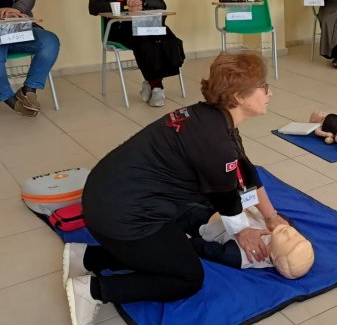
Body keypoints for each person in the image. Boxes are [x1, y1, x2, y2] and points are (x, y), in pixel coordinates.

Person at [62, 52, 288, 325]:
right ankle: (93, 291)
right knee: (188, 277)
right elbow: (227, 198)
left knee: (185, 233)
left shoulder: (213, 117)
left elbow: (245, 171)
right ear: (240, 97)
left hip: (108, 195)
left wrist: (271, 216)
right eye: (263, 87)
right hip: (120, 214)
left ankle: (86, 257)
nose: (269, 93)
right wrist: (242, 231)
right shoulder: (216, 143)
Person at [88, 0, 186, 107]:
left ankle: (151, 82)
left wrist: (143, 2)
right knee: (146, 42)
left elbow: (160, 3)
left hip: (145, 23)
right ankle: (156, 87)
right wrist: (125, 4)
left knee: (169, 39)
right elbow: (94, 6)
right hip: (118, 28)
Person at [0, 0, 60, 117]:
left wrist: (16, 9)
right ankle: (9, 98)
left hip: (15, 28)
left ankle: (28, 89)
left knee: (49, 41)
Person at [198, 206, 315, 279]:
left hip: (211, 218)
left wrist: (192, 243)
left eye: (288, 240)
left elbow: (207, 249)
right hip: (236, 201)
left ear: (273, 256)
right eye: (297, 235)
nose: (289, 232)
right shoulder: (281, 227)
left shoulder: (241, 255)